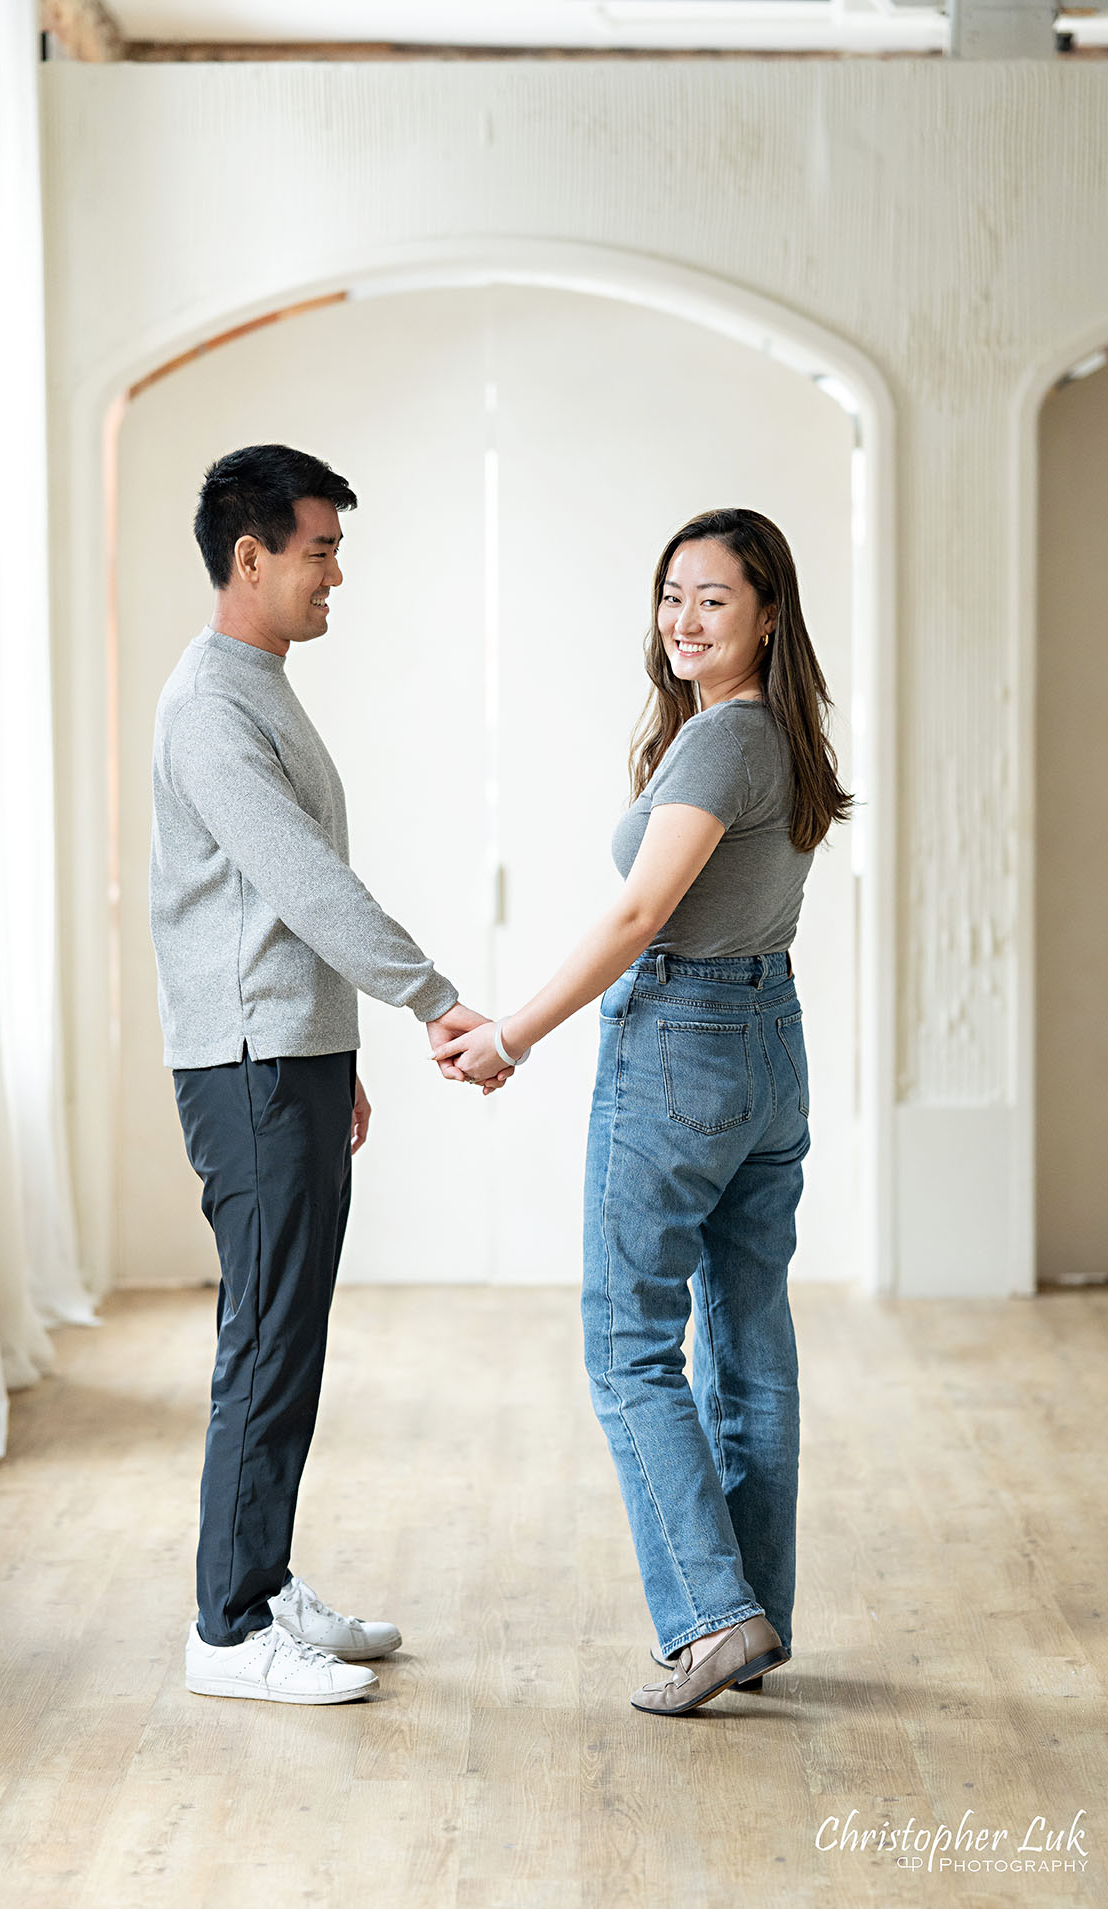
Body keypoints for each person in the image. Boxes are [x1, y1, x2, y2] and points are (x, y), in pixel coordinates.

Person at [435, 507, 852, 1716]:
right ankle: (752, 1615)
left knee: (627, 1343)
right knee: (744, 1342)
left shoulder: (725, 743)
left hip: (684, 1042)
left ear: (766, 614)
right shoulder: (781, 735)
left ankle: (713, 1617)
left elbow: (635, 920)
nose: (682, 619)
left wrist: (510, 1033)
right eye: (672, 594)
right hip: (767, 1044)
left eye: (712, 598)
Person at [150, 443, 507, 1708]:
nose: (335, 575)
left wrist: (334, 1046)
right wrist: (431, 996)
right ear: (248, 556)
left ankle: (260, 1579)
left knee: (286, 1334)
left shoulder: (257, 682)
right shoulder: (210, 705)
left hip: (285, 1054)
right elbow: (301, 883)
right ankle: (229, 1629)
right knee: (265, 1339)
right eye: (319, 551)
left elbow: (269, 903)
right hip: (248, 1064)